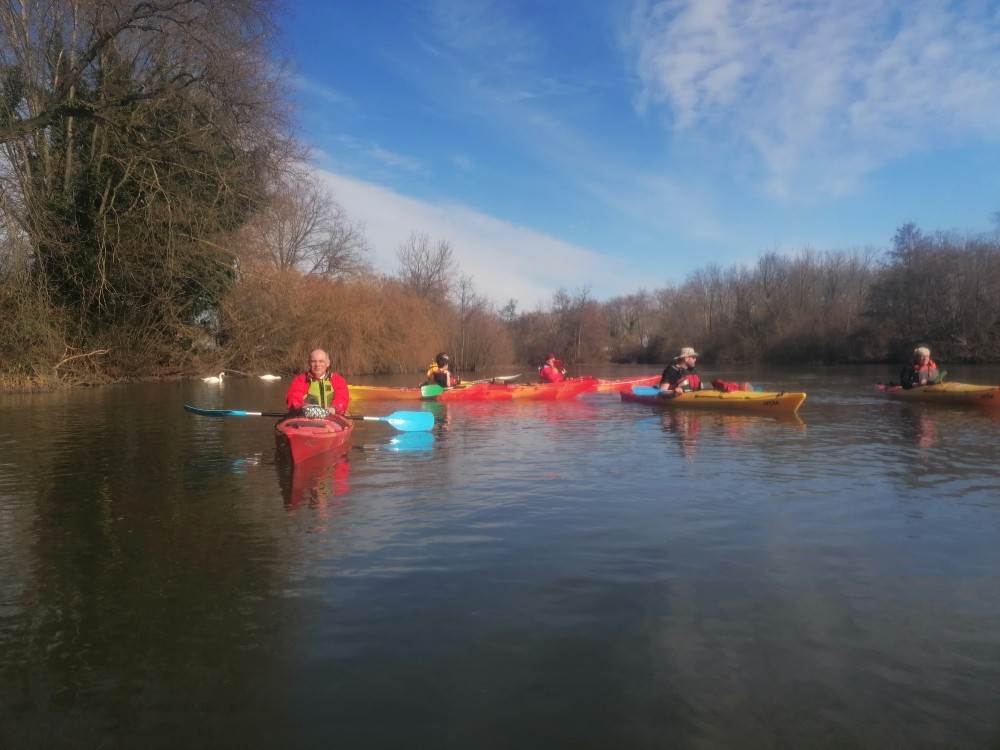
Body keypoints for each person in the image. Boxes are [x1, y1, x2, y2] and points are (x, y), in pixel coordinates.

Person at [285, 348, 350, 416]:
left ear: (327, 363)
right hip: (306, 417)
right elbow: (293, 397)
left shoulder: (338, 380)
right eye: (314, 361)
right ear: (309, 363)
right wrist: (301, 407)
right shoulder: (300, 380)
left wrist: (334, 408)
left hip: (332, 417)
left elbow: (343, 398)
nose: (317, 364)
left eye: (321, 361)